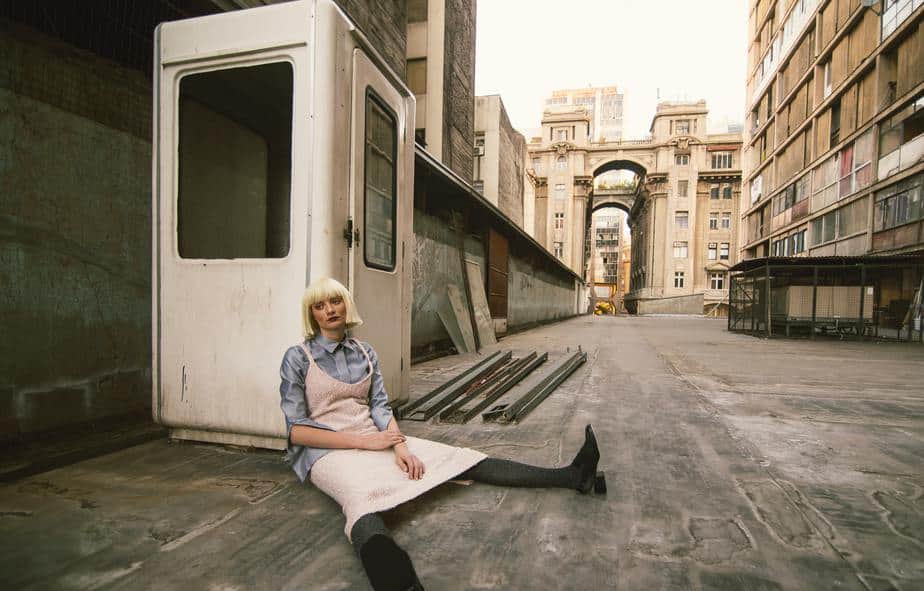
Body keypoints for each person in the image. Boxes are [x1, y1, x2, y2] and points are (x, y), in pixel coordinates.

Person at [279, 277, 602, 591]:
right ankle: (398, 580)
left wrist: (400, 447)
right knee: (361, 498)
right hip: (326, 451)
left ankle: (572, 476)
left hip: (375, 436)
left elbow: (380, 408)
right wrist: (364, 442)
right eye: (319, 306)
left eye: (335, 301)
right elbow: (297, 432)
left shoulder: (364, 352)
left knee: (461, 458)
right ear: (312, 314)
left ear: (346, 305)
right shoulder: (298, 357)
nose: (330, 310)